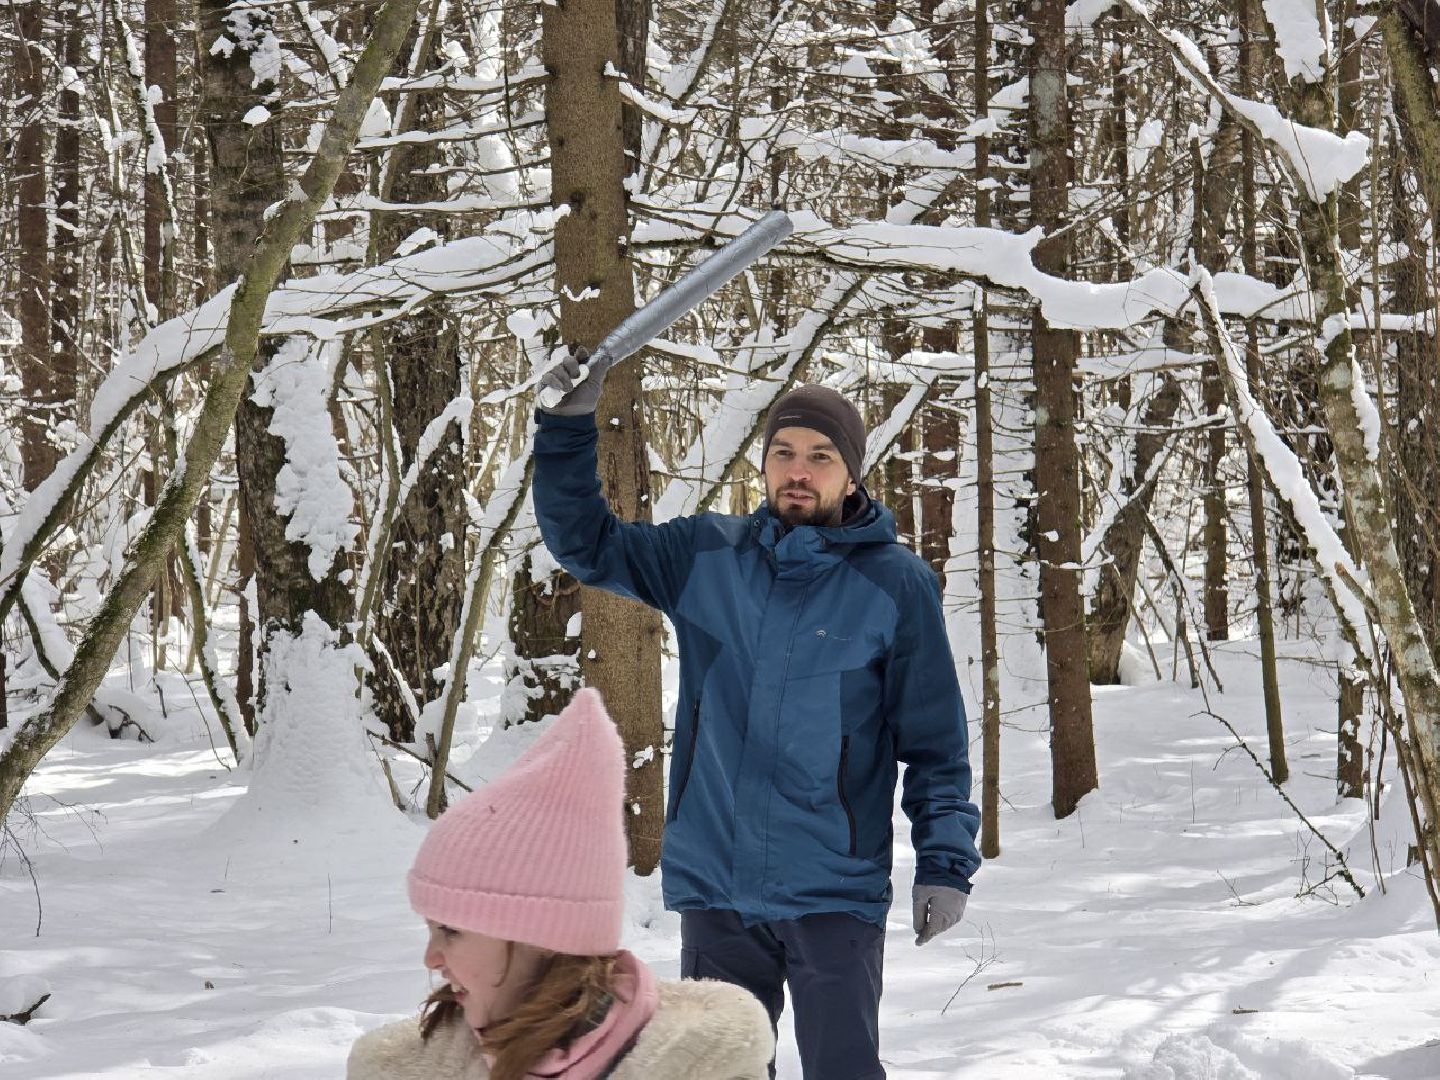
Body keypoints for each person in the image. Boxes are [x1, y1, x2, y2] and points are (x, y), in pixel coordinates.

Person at [532, 356, 981, 1080]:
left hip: (833, 890)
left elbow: (934, 744)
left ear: (852, 474)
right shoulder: (707, 555)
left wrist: (945, 862)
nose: (798, 471)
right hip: (718, 888)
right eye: (783, 452)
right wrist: (566, 427)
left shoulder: (896, 585)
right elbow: (587, 543)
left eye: (821, 456)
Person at [347, 688, 774, 1080]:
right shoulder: (408, 1069)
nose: (431, 959)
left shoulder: (698, 1066)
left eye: (451, 930)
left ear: (544, 935)